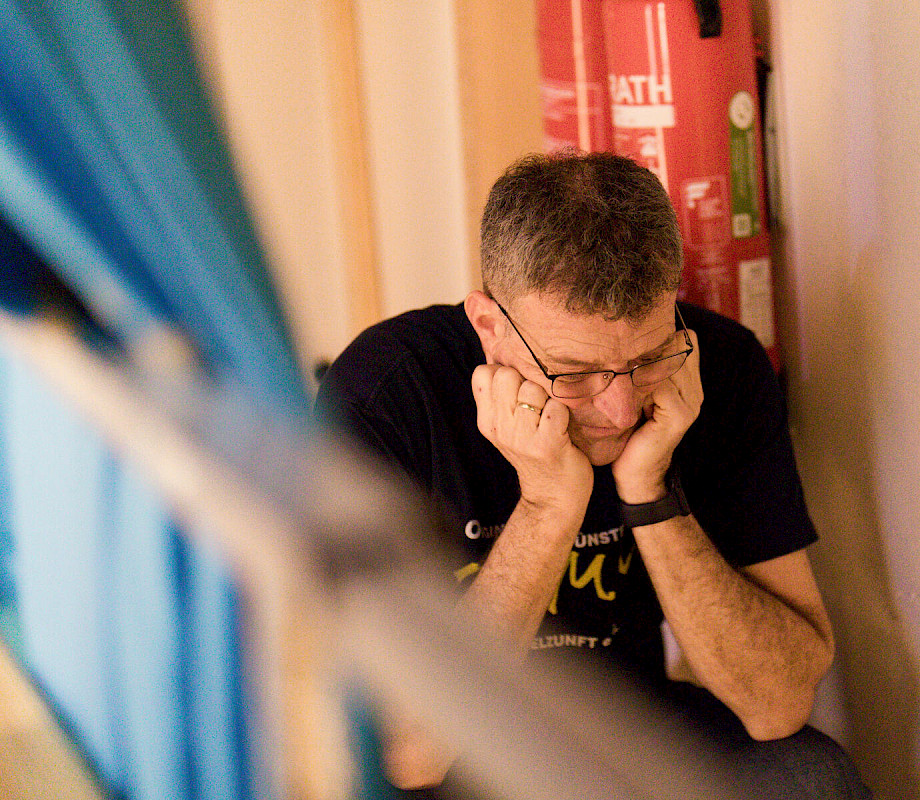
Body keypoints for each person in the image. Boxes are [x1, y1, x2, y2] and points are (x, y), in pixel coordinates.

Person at [316, 151, 871, 799]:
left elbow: (777, 704)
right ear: (490, 328)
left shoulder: (718, 367)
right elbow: (406, 752)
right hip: (465, 755)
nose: (621, 410)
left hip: (624, 729)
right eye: (574, 373)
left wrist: (651, 493)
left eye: (649, 358)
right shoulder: (385, 394)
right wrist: (547, 510)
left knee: (809, 777)